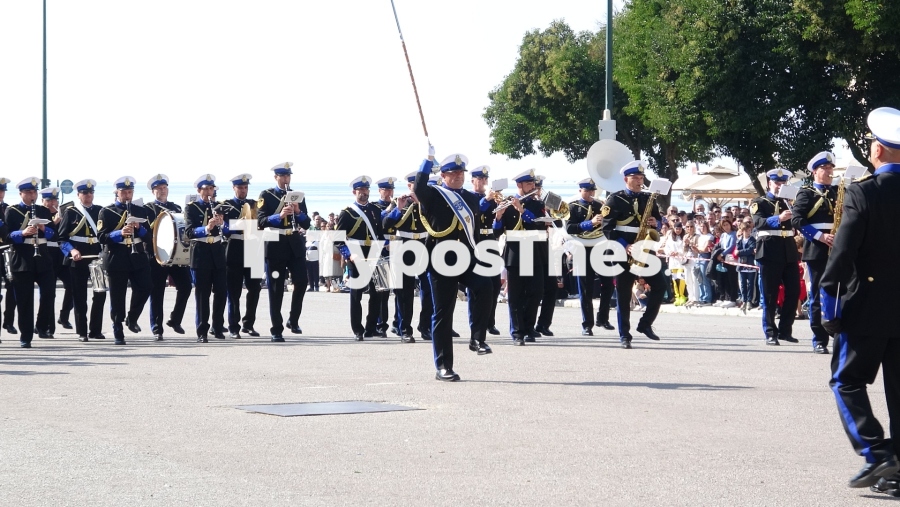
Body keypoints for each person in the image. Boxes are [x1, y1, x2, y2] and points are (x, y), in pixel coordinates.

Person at [820, 106, 900, 492]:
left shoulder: (864, 192)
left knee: (846, 381)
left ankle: (877, 452)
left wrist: (828, 304)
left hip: (867, 305)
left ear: (877, 151)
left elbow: (842, 253)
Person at [415, 149, 493, 380]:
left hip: (466, 257)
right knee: (443, 312)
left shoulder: (470, 198)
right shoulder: (433, 195)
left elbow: (474, 230)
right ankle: (443, 366)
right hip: (442, 259)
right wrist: (428, 161)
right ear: (444, 175)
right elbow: (418, 188)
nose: (458, 176)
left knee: (485, 286)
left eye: (461, 172)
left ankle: (477, 338)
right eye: (453, 173)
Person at [601, 160, 665, 349]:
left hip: (645, 248)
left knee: (660, 285)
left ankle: (645, 323)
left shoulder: (648, 198)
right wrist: (625, 245)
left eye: (641, 178)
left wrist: (656, 224)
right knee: (623, 294)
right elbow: (607, 228)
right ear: (625, 179)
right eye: (635, 178)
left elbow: (659, 222)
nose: (639, 181)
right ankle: (624, 335)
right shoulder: (614, 199)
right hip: (623, 251)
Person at [256, 162, 311, 341]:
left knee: (302, 281)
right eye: (283, 176)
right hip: (275, 244)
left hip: (294, 243)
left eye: (288, 176)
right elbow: (261, 221)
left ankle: (293, 319)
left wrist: (298, 212)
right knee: (276, 288)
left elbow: (306, 223)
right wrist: (279, 216)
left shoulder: (297, 195)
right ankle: (276, 329)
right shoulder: (266, 195)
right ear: (276, 177)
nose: (286, 179)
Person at [494, 168, 548, 345]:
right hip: (515, 253)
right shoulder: (507, 203)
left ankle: (528, 328)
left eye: (533, 183)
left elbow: (539, 225)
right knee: (516, 295)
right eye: (528, 183)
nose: (532, 186)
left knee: (535, 292)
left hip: (534, 251)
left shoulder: (537, 204)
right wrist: (499, 217)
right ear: (519, 185)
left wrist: (522, 210)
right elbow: (496, 232)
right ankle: (517, 332)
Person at [98, 176, 153, 345]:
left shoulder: (140, 211)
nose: (127, 195)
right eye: (124, 192)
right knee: (117, 296)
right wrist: (119, 233)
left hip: (137, 256)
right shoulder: (106, 211)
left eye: (130, 192)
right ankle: (118, 328)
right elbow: (101, 237)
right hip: (117, 256)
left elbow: (149, 237)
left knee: (145, 287)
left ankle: (132, 317)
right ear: (117, 192)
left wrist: (139, 228)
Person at [791, 151, 837, 354]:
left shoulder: (837, 192)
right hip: (817, 248)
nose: (829, 171)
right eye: (824, 168)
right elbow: (797, 220)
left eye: (830, 168)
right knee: (818, 293)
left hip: (838, 247)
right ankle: (819, 338)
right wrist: (820, 236)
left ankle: (838, 331)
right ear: (814, 172)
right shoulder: (806, 193)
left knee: (840, 291)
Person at [3, 177, 55, 348]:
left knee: (49, 294)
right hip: (23, 258)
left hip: (43, 258)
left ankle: (41, 326)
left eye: (34, 192)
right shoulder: (12, 211)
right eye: (28, 192)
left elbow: (54, 234)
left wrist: (43, 228)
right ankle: (26, 336)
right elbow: (7, 236)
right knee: (24, 300)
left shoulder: (43, 210)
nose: (32, 195)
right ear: (21, 193)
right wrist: (23, 233)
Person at [751, 169, 800, 346]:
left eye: (783, 183)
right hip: (769, 250)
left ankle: (785, 330)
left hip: (788, 250)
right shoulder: (759, 202)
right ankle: (770, 332)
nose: (780, 186)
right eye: (777, 183)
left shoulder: (789, 203)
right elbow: (758, 223)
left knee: (794, 292)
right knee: (770, 295)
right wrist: (778, 218)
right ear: (769, 184)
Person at [335, 175, 386, 340]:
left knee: (377, 293)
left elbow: (379, 233)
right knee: (356, 294)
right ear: (354, 192)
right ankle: (358, 329)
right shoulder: (347, 213)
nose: (364, 192)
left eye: (366, 189)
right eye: (361, 190)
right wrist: (349, 255)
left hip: (374, 253)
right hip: (356, 253)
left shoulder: (375, 210)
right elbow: (338, 240)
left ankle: (371, 327)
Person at [143, 174, 193, 341]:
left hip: (175, 255)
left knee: (186, 286)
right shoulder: (147, 209)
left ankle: (175, 319)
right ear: (153, 191)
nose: (162, 191)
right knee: (157, 293)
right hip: (156, 256)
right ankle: (157, 328)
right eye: (159, 188)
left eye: (164, 188)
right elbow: (146, 233)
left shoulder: (176, 207)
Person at [57, 179, 106, 341]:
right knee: (79, 296)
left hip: (96, 258)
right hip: (77, 259)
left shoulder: (100, 211)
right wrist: (71, 250)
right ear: (78, 195)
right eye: (85, 193)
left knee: (100, 294)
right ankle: (82, 331)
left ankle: (95, 330)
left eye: (91, 192)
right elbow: (62, 239)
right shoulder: (71, 212)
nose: (88, 195)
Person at [383, 172, 429, 343]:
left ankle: (425, 326)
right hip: (404, 246)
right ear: (409, 186)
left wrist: (421, 203)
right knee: (405, 292)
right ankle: (405, 329)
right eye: (413, 185)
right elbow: (385, 225)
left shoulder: (426, 202)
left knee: (429, 289)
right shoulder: (399, 202)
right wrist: (399, 209)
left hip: (424, 245)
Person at [566, 178, 615, 335]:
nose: (590, 193)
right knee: (586, 288)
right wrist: (590, 223)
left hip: (601, 247)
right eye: (587, 191)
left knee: (608, 284)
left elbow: (610, 224)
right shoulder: (573, 207)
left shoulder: (600, 205)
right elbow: (570, 228)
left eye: (592, 191)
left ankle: (603, 318)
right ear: (580, 190)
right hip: (582, 248)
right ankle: (587, 324)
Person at [184, 174, 228, 343]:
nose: (209, 192)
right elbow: (189, 232)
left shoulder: (220, 206)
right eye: (206, 189)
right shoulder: (192, 208)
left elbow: (228, 230)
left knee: (221, 292)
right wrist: (207, 228)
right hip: (201, 253)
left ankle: (217, 326)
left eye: (211, 189)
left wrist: (222, 224)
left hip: (217, 252)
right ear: (199, 190)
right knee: (203, 295)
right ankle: (202, 331)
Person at [219, 174, 262, 338]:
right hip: (235, 246)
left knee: (255, 289)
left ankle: (248, 324)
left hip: (253, 246)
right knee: (234, 290)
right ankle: (233, 326)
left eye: (245, 187)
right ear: (234, 188)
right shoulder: (226, 205)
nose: (243, 191)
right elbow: (223, 229)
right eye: (240, 188)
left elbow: (262, 223)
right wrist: (238, 224)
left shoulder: (255, 204)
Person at [35, 187, 71, 338]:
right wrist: (54, 224)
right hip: (46, 253)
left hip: (61, 255)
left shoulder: (63, 213)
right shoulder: (40, 213)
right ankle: (48, 326)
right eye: (48, 200)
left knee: (72, 285)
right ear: (42, 201)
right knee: (49, 292)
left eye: (54, 200)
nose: (52, 203)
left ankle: (64, 315)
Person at [469, 165, 501, 336]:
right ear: (472, 181)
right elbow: (474, 212)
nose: (483, 182)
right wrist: (487, 200)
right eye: (480, 179)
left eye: (485, 179)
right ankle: (474, 323)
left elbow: (498, 226)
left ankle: (490, 321)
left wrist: (500, 214)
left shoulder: (492, 199)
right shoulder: (470, 197)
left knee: (494, 285)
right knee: (476, 287)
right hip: (476, 241)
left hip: (490, 240)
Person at [533, 175, 559, 337]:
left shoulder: (547, 201)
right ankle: (527, 325)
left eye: (539, 188)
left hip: (544, 245)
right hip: (528, 246)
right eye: (535, 187)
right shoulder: (522, 202)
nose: (537, 191)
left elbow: (560, 222)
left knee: (552, 287)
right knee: (532, 288)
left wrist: (551, 214)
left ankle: (543, 324)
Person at [371, 177, 396, 337]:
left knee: (401, 290)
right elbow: (376, 223)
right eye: (385, 190)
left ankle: (398, 323)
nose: (388, 193)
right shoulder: (375, 207)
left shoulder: (399, 204)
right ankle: (381, 324)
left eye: (390, 190)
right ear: (380, 191)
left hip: (397, 248)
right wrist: (389, 209)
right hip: (383, 250)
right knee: (383, 291)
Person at [0, 177, 16, 337]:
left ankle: (9, 321)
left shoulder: (8, 209)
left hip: (6, 251)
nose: (1, 193)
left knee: (13, 287)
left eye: (2, 190)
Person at [714, 218, 738, 308]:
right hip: (723, 259)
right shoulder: (723, 235)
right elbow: (720, 245)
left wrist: (722, 254)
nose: (726, 227)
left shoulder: (734, 234)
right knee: (725, 279)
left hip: (731, 259)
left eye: (727, 224)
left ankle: (733, 299)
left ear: (730, 225)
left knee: (732, 279)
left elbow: (732, 246)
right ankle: (726, 298)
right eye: (724, 225)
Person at [734, 220, 758, 313]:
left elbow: (751, 249)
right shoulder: (739, 240)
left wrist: (740, 252)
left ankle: (749, 301)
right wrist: (741, 252)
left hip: (750, 265)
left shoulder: (752, 240)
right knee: (743, 284)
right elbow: (737, 250)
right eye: (747, 231)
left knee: (750, 284)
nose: (748, 232)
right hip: (742, 265)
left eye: (749, 230)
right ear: (742, 231)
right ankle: (744, 300)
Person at [664, 221, 688, 306]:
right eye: (676, 228)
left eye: (680, 229)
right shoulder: (670, 238)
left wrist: (679, 252)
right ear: (674, 229)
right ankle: (677, 297)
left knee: (681, 279)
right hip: (673, 262)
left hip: (681, 262)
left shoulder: (684, 237)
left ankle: (683, 296)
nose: (678, 230)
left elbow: (685, 248)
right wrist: (670, 252)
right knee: (674, 280)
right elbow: (666, 248)